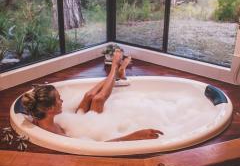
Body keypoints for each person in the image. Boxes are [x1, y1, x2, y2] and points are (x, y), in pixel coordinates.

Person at [21, 50, 163, 141]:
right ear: (49, 108)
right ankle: (115, 67)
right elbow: (100, 145)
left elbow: (28, 106)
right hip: (86, 131)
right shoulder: (56, 137)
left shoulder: (38, 115)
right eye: (58, 99)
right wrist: (137, 136)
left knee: (89, 96)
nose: (62, 100)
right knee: (98, 100)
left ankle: (116, 74)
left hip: (75, 122)